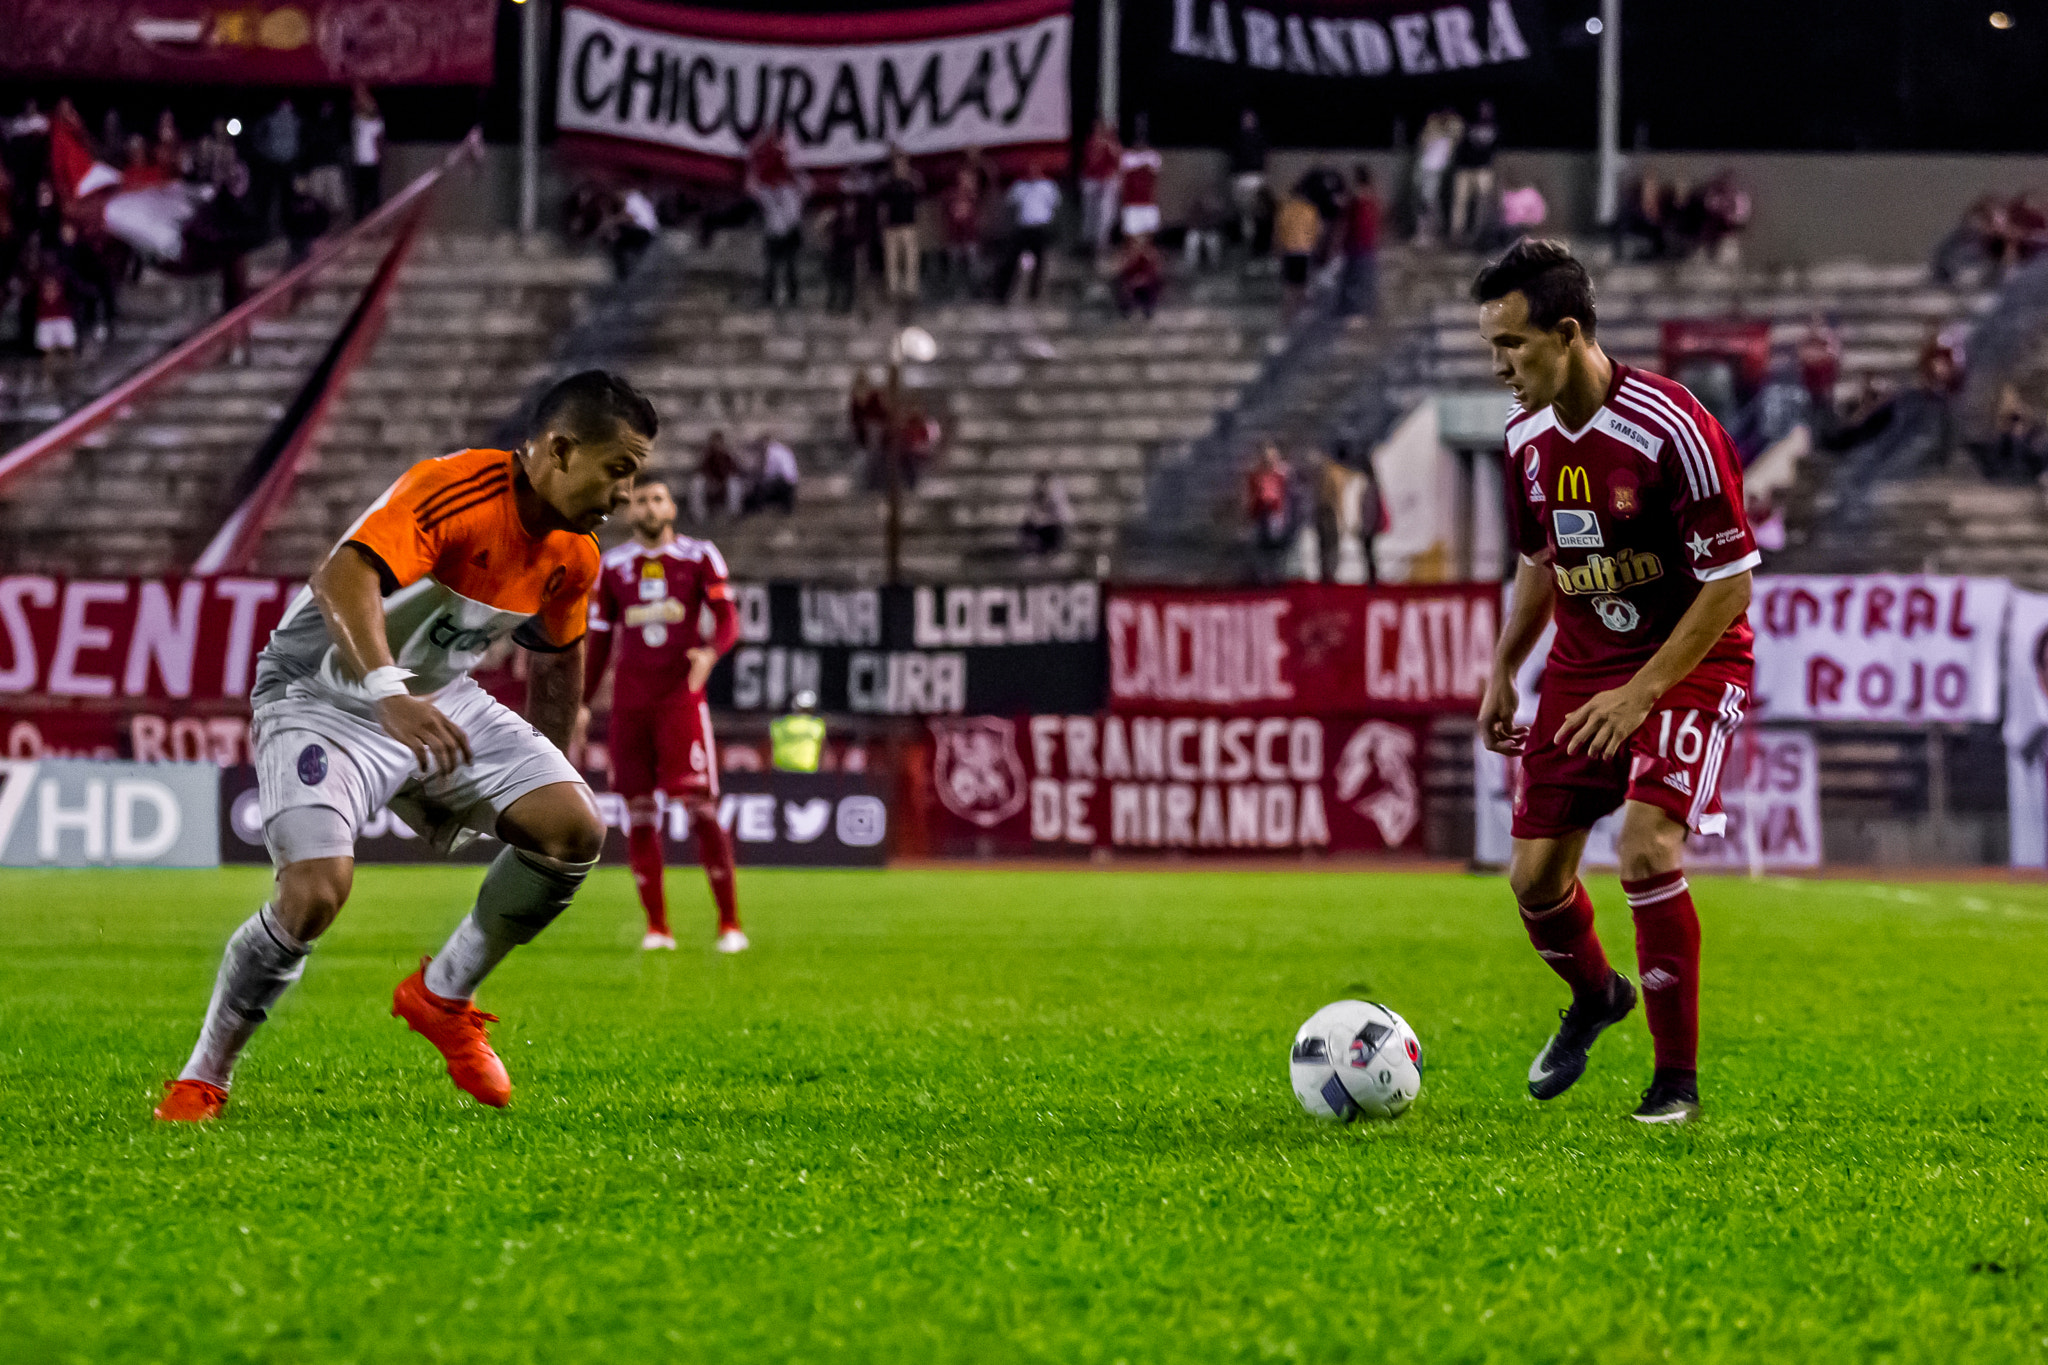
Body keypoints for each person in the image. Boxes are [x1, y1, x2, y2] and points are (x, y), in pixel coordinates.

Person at [151, 370, 652, 1122]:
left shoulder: (574, 555)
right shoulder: (457, 489)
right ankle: (204, 1075)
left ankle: (444, 995)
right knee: (315, 892)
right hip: (323, 694)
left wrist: (546, 764)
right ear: (560, 449)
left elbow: (558, 659)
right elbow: (341, 574)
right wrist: (389, 694)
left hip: (438, 697)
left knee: (573, 828)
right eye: (619, 469)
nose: (624, 492)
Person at [1473, 239, 1760, 1126]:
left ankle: (1675, 1083)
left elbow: (1730, 583)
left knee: (1646, 848)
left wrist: (1643, 694)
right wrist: (1503, 669)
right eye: (1493, 349)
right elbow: (1540, 559)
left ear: (1567, 333)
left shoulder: (1675, 428)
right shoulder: (1523, 439)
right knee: (1533, 881)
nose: (1502, 368)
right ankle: (1597, 995)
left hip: (1693, 657)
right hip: (1582, 661)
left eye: (1513, 346)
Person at [581, 477, 747, 954]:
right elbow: (600, 641)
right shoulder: (612, 566)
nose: (648, 508)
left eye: (656, 499)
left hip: (680, 701)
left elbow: (728, 619)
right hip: (630, 707)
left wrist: (710, 654)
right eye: (638, 501)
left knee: (702, 809)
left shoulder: (699, 557)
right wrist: (585, 701)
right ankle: (657, 928)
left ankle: (730, 924)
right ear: (628, 511)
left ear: (671, 507)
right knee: (637, 814)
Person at [748, 150, 810, 308]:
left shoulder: (792, 192)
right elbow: (752, 189)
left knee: (791, 268)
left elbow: (808, 187)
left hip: (790, 234)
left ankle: (793, 298)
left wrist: (794, 168)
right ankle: (768, 297)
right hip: (773, 234)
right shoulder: (767, 193)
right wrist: (753, 165)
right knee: (771, 268)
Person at [1001, 161, 1060, 303]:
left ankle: (1034, 294)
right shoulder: (1019, 187)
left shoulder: (1048, 186)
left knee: (1040, 262)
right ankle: (1006, 293)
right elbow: (1009, 204)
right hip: (1023, 228)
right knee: (1015, 259)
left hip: (1040, 228)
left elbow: (1055, 205)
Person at [1449, 100, 1499, 246]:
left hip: (1483, 170)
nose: (1484, 112)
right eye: (1482, 109)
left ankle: (1478, 236)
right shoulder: (1467, 126)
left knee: (1482, 204)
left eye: (1487, 109)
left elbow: (1487, 145)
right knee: (1459, 202)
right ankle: (1456, 235)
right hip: (1464, 169)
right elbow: (1459, 144)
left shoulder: (1494, 128)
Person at [878, 146, 924, 303]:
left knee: (910, 260)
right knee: (892, 261)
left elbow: (919, 203)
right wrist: (882, 226)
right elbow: (882, 207)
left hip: (909, 226)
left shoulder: (913, 181)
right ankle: (893, 291)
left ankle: (910, 291)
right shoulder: (887, 183)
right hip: (891, 227)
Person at [1411, 108, 1463, 245]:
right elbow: (1423, 142)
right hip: (1425, 168)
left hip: (1434, 172)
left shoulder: (1449, 135)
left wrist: (1447, 123)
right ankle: (1424, 233)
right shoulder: (1431, 133)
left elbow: (1457, 132)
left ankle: (1427, 235)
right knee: (1425, 202)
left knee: (1428, 202)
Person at [1245, 442, 1293, 581]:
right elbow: (1252, 494)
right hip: (1260, 513)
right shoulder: (1257, 475)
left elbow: (1285, 495)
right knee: (1261, 546)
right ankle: (1263, 574)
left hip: (1275, 513)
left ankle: (1276, 573)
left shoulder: (1281, 475)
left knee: (1276, 546)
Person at [1339, 166, 1381, 317]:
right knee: (1366, 278)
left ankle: (1348, 308)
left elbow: (1347, 221)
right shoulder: (1372, 198)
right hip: (1367, 244)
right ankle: (1367, 308)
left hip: (1355, 244)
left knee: (1350, 278)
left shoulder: (1355, 198)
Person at [1274, 191, 1321, 320]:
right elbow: (1315, 233)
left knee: (1289, 290)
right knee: (1303, 288)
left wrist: (1277, 251)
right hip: (1304, 252)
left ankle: (1288, 319)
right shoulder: (1310, 210)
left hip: (1290, 252)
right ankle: (1300, 320)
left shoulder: (1286, 210)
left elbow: (1278, 233)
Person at [1079, 118, 1122, 255]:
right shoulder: (1090, 142)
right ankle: (1088, 242)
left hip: (1107, 181)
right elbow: (1089, 162)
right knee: (1090, 213)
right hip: (1091, 180)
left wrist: (1110, 145)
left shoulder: (1111, 142)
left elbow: (1118, 161)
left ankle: (1102, 243)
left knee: (1106, 213)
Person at [940, 168, 984, 297]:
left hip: (970, 236)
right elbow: (944, 216)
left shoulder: (974, 196)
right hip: (954, 236)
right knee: (954, 266)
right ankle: (954, 291)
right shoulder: (950, 195)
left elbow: (978, 216)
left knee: (973, 265)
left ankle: (975, 292)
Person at [1229, 109, 1268, 250]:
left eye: (1250, 119)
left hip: (1255, 176)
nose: (1247, 122)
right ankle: (1245, 242)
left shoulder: (1259, 137)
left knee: (1256, 212)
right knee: (1243, 213)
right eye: (1245, 119)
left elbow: (1264, 156)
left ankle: (1256, 245)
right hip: (1239, 177)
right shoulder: (1236, 137)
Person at [1117, 130, 1163, 244]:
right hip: (1131, 205)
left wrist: (1142, 163)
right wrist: (1142, 164)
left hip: (1148, 204)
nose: (1140, 144)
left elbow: (1154, 169)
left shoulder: (1153, 157)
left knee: (1149, 239)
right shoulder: (1126, 157)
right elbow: (1125, 171)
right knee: (1131, 240)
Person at [349, 84, 384, 221]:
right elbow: (355, 104)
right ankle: (359, 222)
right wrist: (360, 90)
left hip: (371, 162)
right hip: (359, 162)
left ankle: (376, 222)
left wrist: (380, 159)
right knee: (360, 196)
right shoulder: (357, 120)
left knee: (373, 196)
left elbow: (379, 141)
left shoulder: (375, 122)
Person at [771, 691, 827, 773]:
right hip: (808, 773)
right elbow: (823, 750)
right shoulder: (817, 725)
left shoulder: (780, 724)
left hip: (782, 771)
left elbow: (771, 744)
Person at [1020, 471, 1072, 555]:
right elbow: (1029, 514)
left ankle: (1051, 550)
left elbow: (1063, 515)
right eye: (1040, 482)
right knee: (1028, 528)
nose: (1042, 486)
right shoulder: (1033, 496)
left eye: (1044, 482)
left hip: (1052, 527)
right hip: (1038, 527)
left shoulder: (1056, 496)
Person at [745, 434, 799, 513]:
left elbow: (768, 473)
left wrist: (754, 477)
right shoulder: (782, 449)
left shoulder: (771, 451)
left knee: (759, 488)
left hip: (783, 482)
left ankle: (757, 509)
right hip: (791, 483)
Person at [1114, 234, 1164, 320]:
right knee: (1123, 288)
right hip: (1130, 284)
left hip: (1146, 285)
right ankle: (1125, 312)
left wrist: (1140, 280)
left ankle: (1148, 310)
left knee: (1151, 288)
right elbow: (1121, 271)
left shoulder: (1149, 256)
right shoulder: (1127, 256)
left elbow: (1154, 273)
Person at [694, 430, 740, 519]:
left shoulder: (727, 457)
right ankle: (699, 514)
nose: (717, 445)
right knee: (697, 483)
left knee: (734, 483)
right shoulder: (707, 457)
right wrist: (710, 483)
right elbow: (703, 471)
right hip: (710, 485)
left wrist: (721, 485)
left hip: (724, 485)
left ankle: (733, 513)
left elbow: (732, 472)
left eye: (719, 442)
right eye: (714, 442)